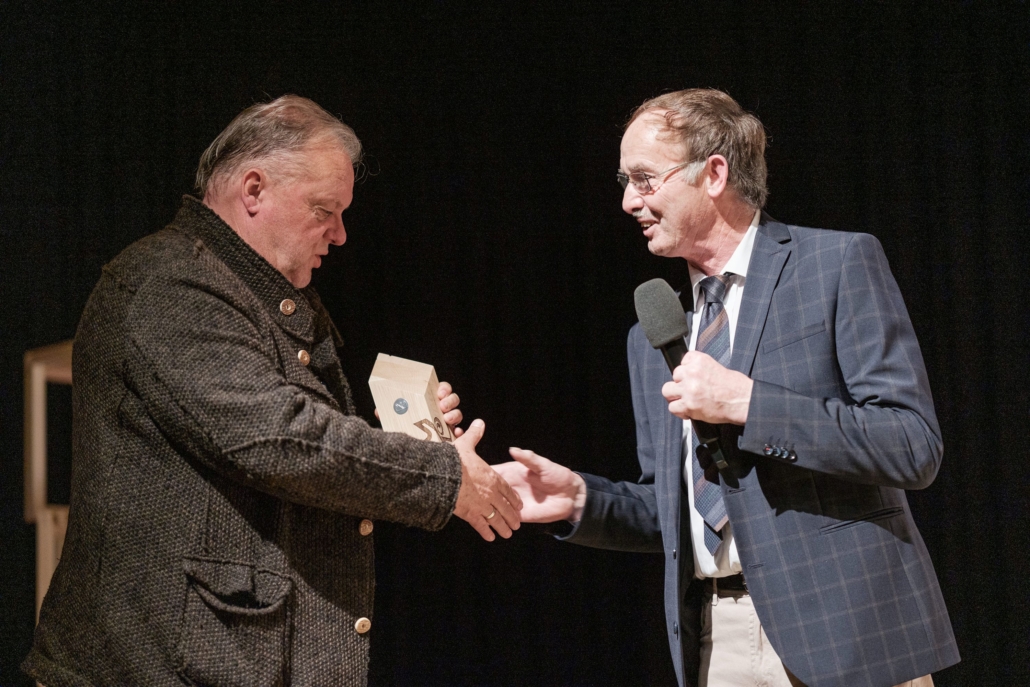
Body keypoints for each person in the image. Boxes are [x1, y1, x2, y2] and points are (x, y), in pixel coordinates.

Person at [23, 95, 522, 686]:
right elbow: (275, 438)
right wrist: (442, 475)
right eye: (324, 210)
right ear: (254, 189)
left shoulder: (253, 291)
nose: (340, 234)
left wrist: (407, 436)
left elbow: (290, 447)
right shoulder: (170, 281)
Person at [493, 89, 959, 687]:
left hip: (849, 635)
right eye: (625, 181)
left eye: (644, 179)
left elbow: (911, 444)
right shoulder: (653, 336)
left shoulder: (835, 265)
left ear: (714, 174)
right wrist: (580, 500)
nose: (629, 200)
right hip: (720, 640)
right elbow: (675, 511)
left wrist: (747, 403)